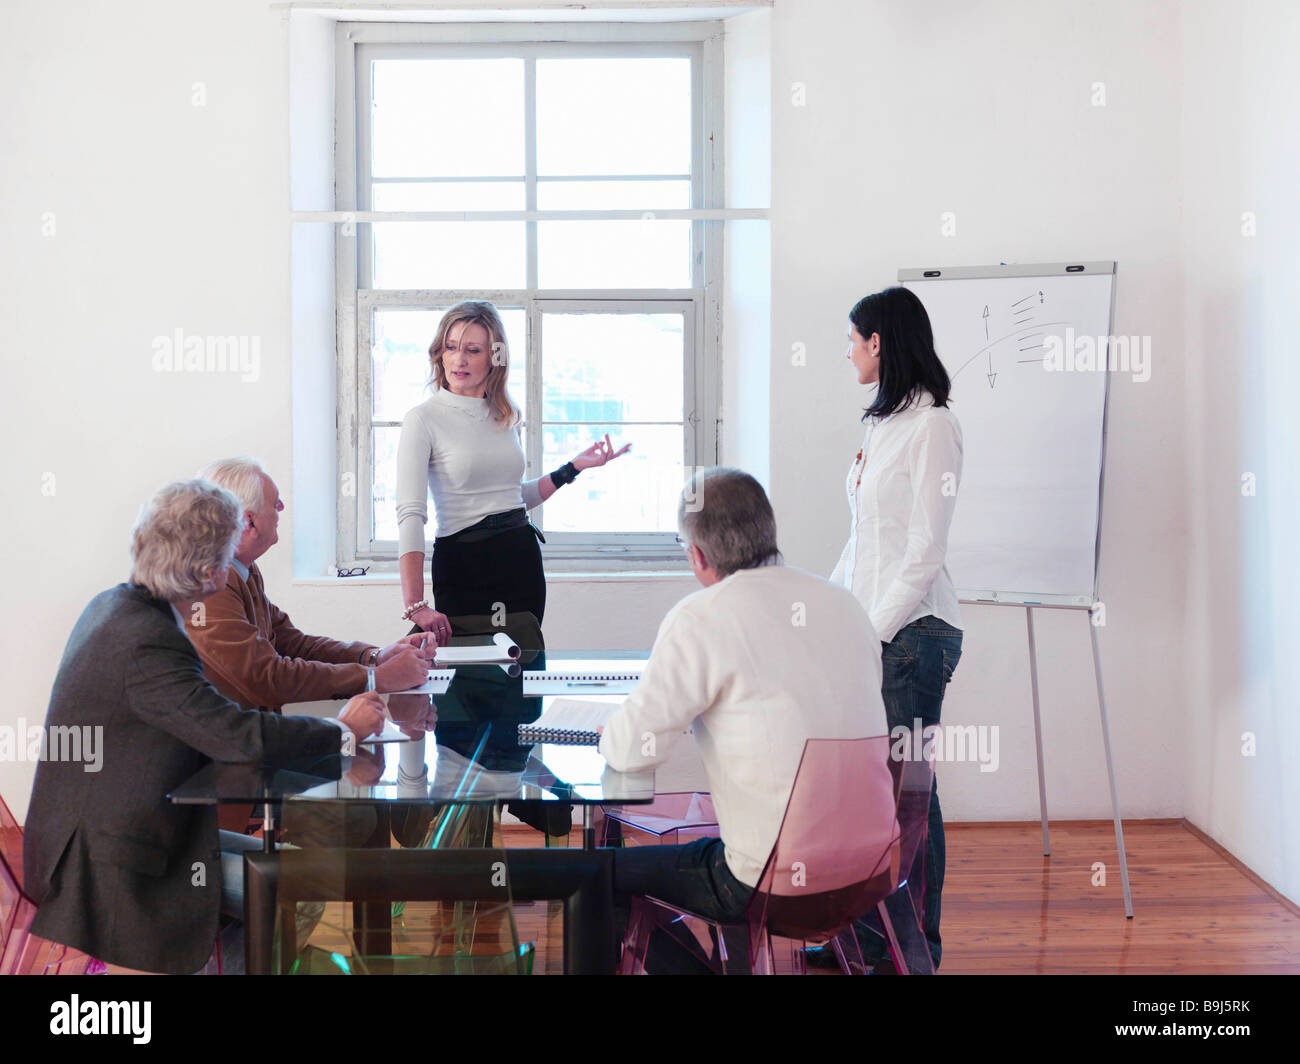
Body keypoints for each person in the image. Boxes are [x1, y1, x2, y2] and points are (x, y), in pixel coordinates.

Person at [22, 480, 386, 974]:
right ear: (209, 568)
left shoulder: (121, 605)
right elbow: (235, 735)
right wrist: (343, 732)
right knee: (305, 886)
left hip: (133, 830)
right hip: (110, 863)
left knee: (303, 877)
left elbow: (209, 720)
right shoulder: (144, 638)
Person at [598, 468, 890, 974]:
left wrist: (613, 733)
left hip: (771, 881)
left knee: (598, 878)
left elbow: (632, 751)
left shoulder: (702, 616)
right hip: (873, 871)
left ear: (699, 555)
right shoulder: (845, 605)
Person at [828, 285, 964, 971]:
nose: (846, 350)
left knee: (909, 800)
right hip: (879, 632)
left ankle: (913, 950)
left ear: (879, 341)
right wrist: (827, 615)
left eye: (853, 338)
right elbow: (864, 544)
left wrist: (872, 632)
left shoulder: (934, 425)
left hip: (915, 635)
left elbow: (923, 551)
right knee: (872, 796)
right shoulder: (881, 423)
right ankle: (866, 935)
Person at [395, 301, 629, 638]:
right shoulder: (423, 419)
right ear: (439, 353)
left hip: (519, 559)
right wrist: (415, 603)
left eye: (472, 350)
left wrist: (572, 468)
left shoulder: (504, 415)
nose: (459, 359)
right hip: (464, 562)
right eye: (451, 347)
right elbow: (410, 514)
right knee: (464, 680)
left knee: (521, 675)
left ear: (493, 359)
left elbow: (511, 497)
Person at [190, 457, 434, 712]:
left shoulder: (242, 568)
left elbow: (291, 643)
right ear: (249, 522)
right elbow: (262, 676)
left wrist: (375, 657)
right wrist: (376, 678)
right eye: (275, 503)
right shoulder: (208, 582)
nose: (282, 508)